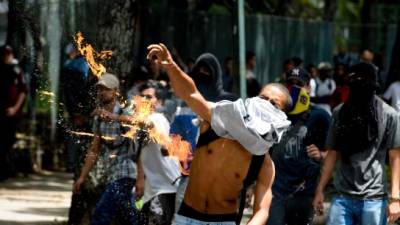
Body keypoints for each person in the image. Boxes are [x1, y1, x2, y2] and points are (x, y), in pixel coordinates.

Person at [147, 43, 292, 225]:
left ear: (282, 115)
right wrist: (169, 63)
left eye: (274, 104)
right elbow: (191, 94)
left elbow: (262, 210)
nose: (265, 104)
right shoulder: (218, 123)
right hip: (187, 218)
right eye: (263, 98)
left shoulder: (264, 163)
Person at [313, 62, 400, 225]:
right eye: (355, 79)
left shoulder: (389, 115)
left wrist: (396, 198)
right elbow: (332, 153)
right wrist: (320, 189)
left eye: (364, 79)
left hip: (373, 199)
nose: (359, 83)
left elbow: (395, 157)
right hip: (341, 197)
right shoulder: (340, 113)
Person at [266, 67, 331, 225]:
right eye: (290, 83)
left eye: (299, 84)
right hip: (276, 192)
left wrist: (321, 154)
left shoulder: (319, 116)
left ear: (308, 88)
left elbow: (334, 152)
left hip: (304, 192)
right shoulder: (274, 113)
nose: (294, 88)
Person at [73, 73, 137, 225]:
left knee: (101, 215)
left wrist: (113, 116)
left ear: (115, 91)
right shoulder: (98, 117)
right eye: (100, 89)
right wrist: (82, 176)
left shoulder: (125, 110)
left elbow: (137, 121)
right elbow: (94, 149)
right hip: (111, 174)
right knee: (129, 217)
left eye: (106, 89)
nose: (102, 92)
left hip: (126, 172)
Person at [135, 80, 181, 225]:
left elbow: (163, 144)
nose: (144, 100)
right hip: (157, 188)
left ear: (158, 102)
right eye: (142, 96)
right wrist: (140, 179)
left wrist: (116, 117)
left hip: (166, 187)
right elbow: (143, 152)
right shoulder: (143, 123)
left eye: (149, 97)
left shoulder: (156, 119)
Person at [0, 45, 27, 181]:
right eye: (4, 55)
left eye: (8, 54)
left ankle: (6, 171)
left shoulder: (16, 70)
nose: (6, 57)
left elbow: (23, 91)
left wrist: (15, 108)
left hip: (11, 113)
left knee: (7, 141)